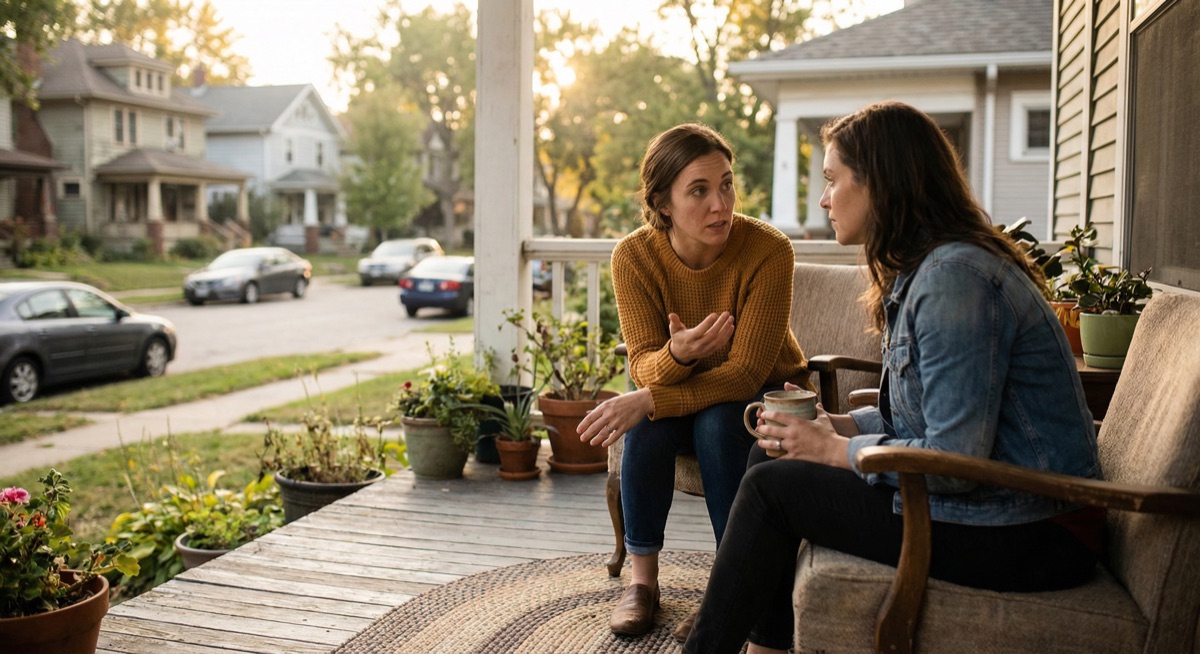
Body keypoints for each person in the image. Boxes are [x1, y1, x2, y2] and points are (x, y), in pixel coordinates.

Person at [683, 101, 1103, 653]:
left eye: (833, 179)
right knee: (773, 457)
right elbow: (923, 416)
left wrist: (835, 451)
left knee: (770, 489)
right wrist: (835, 424)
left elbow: (954, 461)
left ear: (879, 182)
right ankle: (767, 648)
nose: (823, 197)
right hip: (1001, 507)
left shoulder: (956, 280)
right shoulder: (926, 270)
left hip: (1036, 529)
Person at [576, 123, 810, 640]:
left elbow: (747, 371)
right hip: (692, 398)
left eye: (726, 185)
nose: (720, 204)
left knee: (714, 421)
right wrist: (676, 355)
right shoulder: (634, 257)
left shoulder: (769, 249)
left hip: (763, 404)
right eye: (699, 191)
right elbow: (642, 363)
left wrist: (652, 397)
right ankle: (642, 584)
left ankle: (733, 587)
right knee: (649, 425)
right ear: (662, 203)